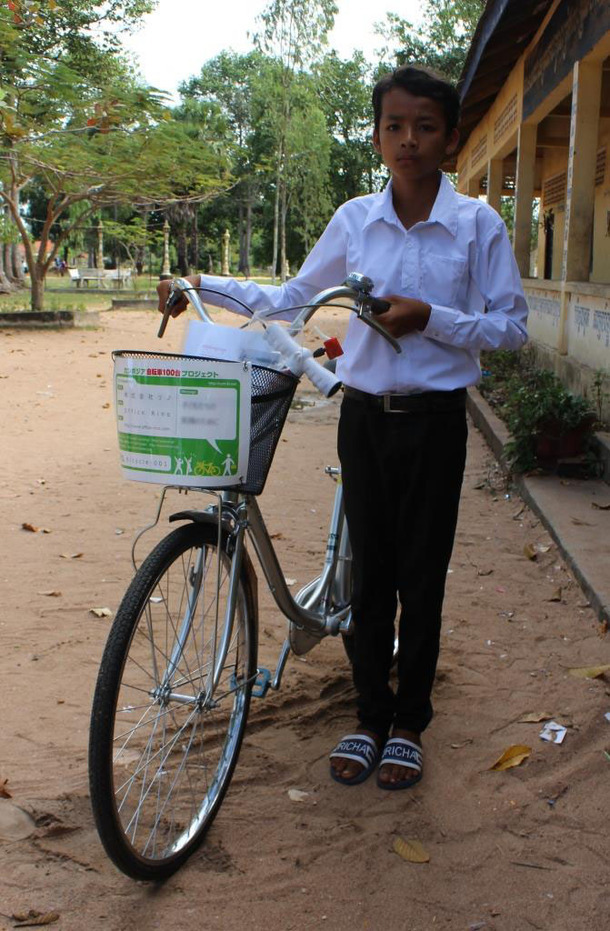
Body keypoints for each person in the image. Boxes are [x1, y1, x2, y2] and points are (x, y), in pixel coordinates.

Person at [157, 64, 528, 791]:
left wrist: (431, 317)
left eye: (425, 127)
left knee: (420, 577)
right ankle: (367, 716)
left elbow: (511, 327)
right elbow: (294, 299)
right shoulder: (357, 219)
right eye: (394, 126)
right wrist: (204, 285)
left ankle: (410, 723)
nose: (408, 141)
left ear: (451, 139)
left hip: (435, 424)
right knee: (370, 580)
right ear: (377, 134)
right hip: (363, 418)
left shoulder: (478, 224)